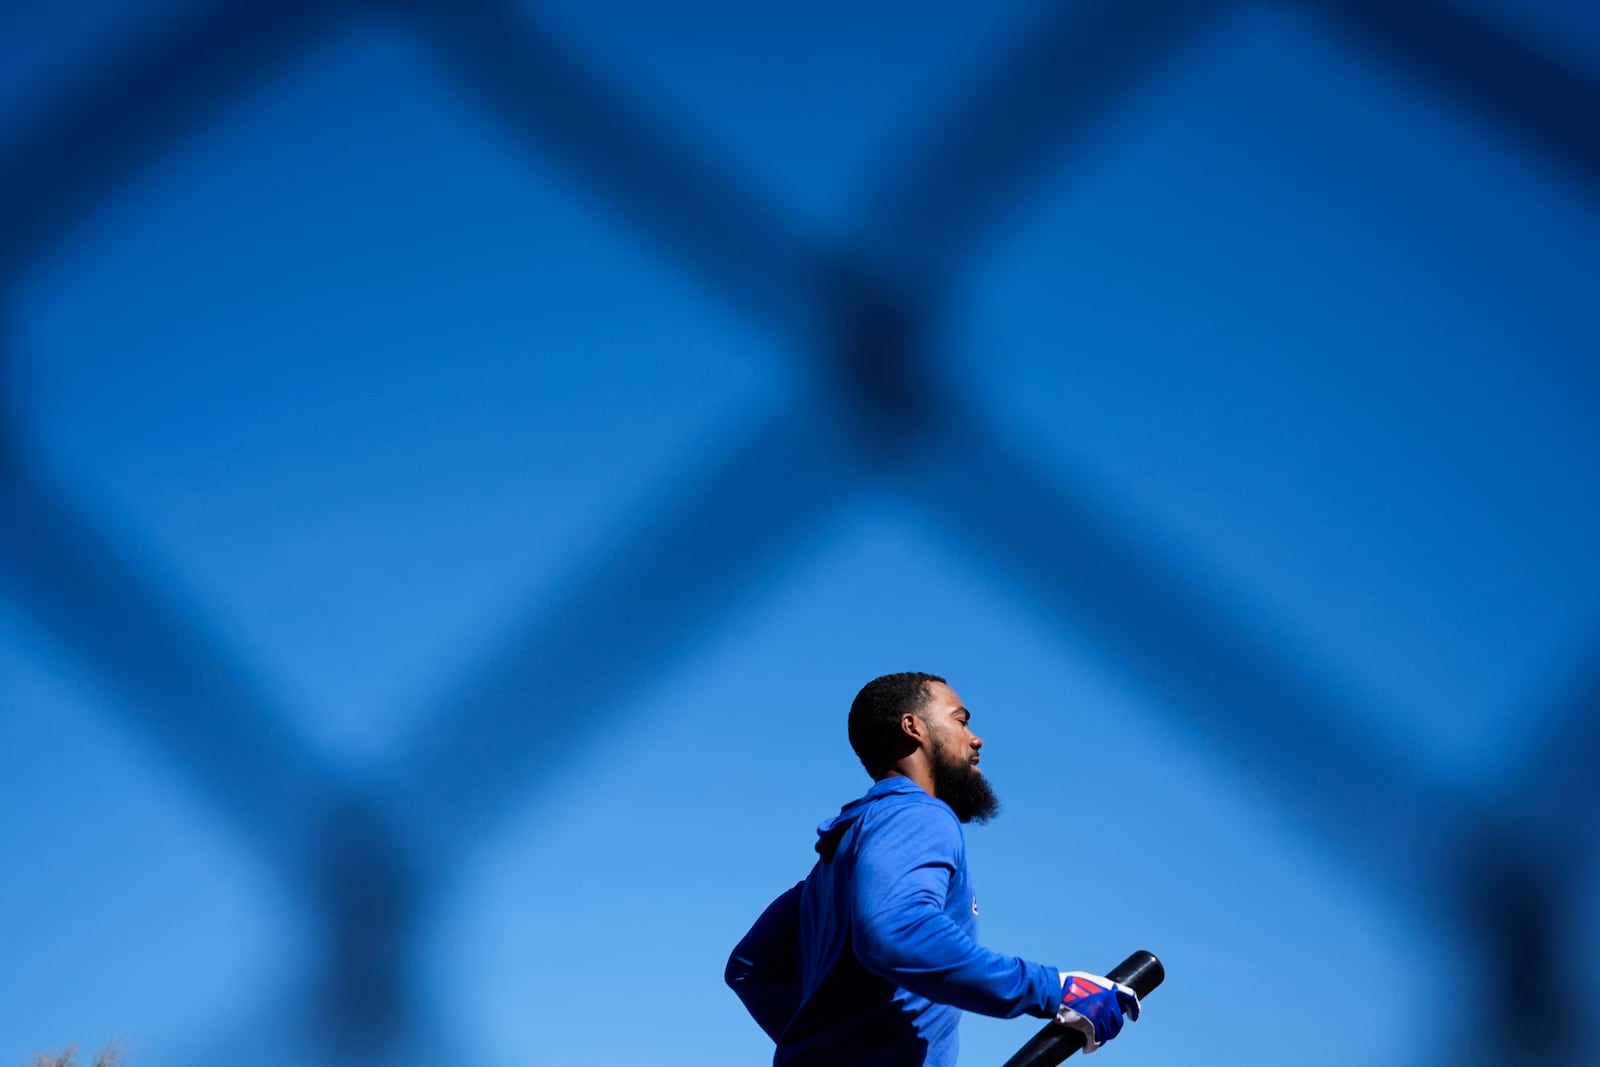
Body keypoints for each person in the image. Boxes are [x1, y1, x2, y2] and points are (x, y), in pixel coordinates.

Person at [726, 672, 1138, 1067]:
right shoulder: (918, 816)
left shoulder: (835, 864)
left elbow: (750, 968)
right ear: (914, 728)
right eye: (960, 721)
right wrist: (1057, 989)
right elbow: (900, 931)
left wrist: (836, 1050)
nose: (976, 739)